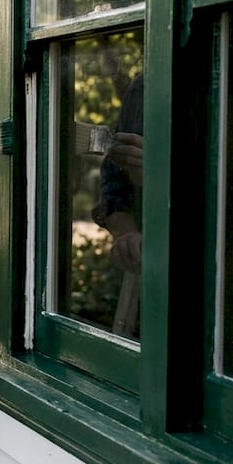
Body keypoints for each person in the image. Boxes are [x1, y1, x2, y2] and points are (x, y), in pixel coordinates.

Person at [91, 74, 144, 337]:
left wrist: (162, 177)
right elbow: (114, 183)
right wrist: (125, 234)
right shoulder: (144, 88)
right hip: (145, 283)